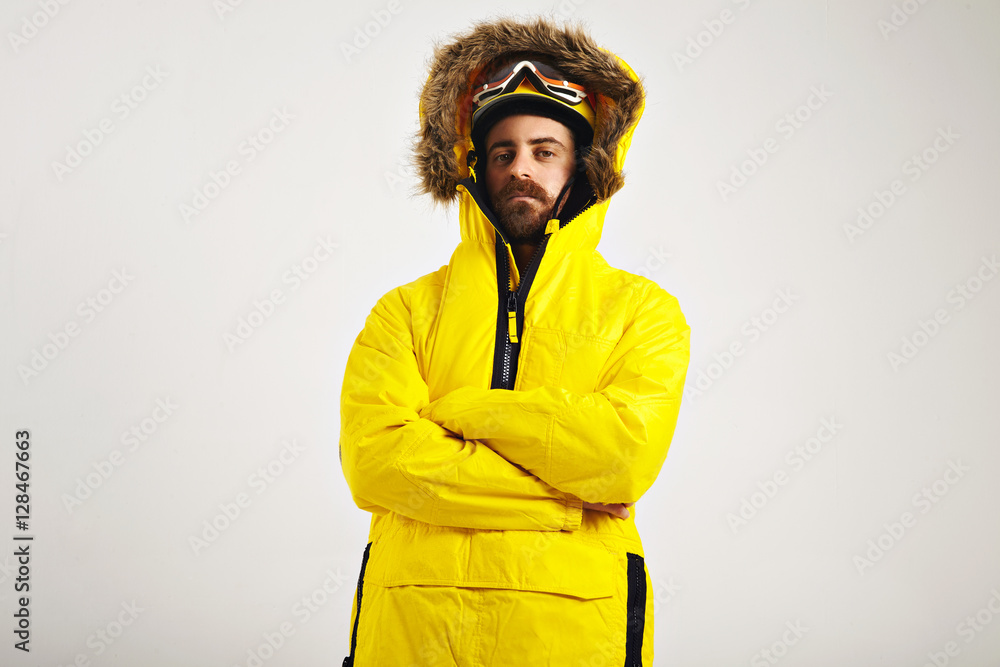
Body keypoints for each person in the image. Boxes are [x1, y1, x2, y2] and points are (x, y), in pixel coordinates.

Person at [339, 15, 690, 666]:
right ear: (474, 166)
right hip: (412, 636)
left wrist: (463, 412)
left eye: (543, 150)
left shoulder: (644, 312)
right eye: (502, 152)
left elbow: (620, 459)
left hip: (569, 639)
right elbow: (374, 460)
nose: (520, 168)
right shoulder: (405, 312)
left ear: (582, 166)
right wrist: (564, 501)